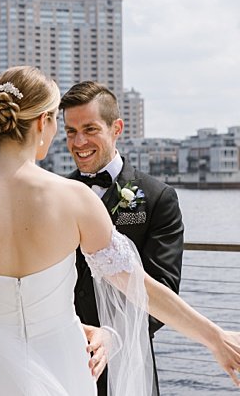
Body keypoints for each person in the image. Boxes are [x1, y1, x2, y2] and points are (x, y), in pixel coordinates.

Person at [0, 65, 240, 395]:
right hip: (64, 362)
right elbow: (142, 289)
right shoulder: (74, 198)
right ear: (43, 122)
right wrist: (215, 337)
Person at [62, 81, 183, 396]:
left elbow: (164, 287)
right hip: (62, 357)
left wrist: (115, 336)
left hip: (129, 361)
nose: (79, 141)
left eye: (90, 129)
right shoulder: (54, 194)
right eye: (70, 131)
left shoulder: (158, 198)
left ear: (116, 128)